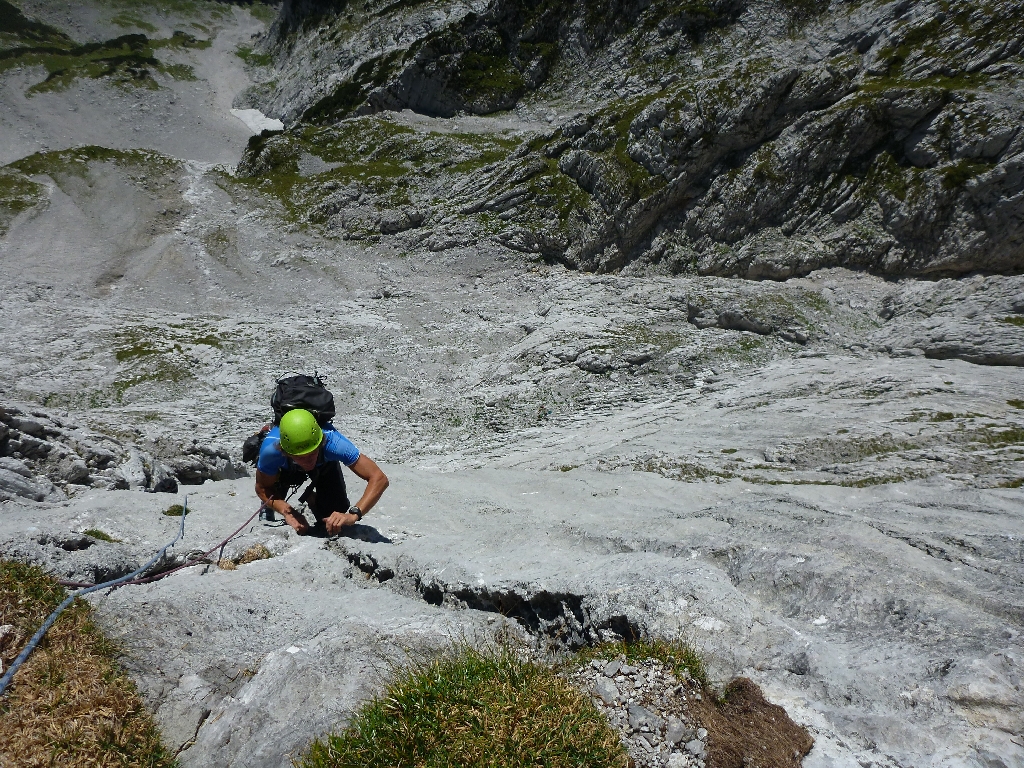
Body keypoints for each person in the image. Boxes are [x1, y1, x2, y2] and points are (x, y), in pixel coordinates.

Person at [254, 409, 388, 535]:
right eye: (301, 456)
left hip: (322, 463)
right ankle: (269, 507)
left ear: (321, 443)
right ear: (285, 451)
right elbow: (262, 488)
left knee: (336, 512)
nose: (308, 461)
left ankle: (312, 499)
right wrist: (286, 511)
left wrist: (354, 514)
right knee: (273, 488)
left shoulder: (334, 443)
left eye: (311, 454)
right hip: (287, 467)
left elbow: (379, 478)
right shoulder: (271, 451)